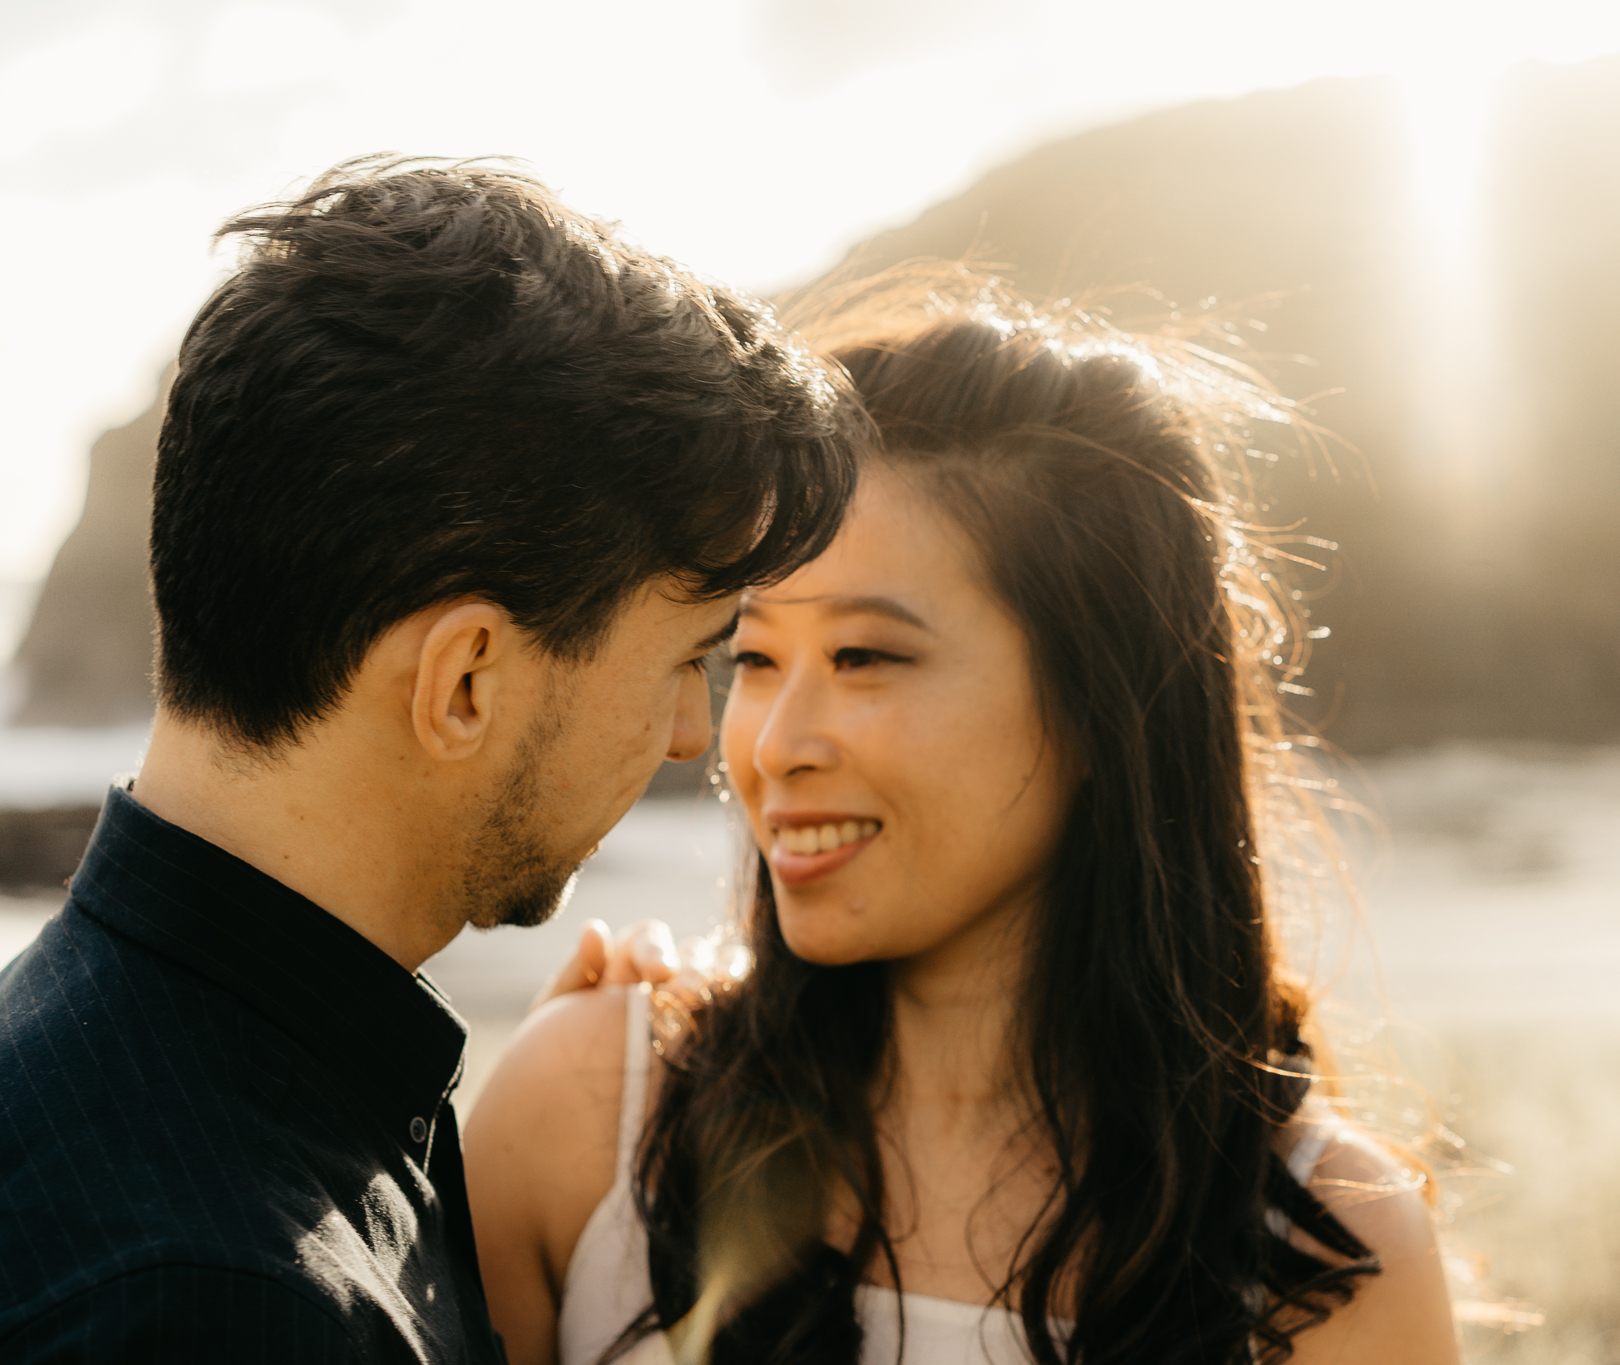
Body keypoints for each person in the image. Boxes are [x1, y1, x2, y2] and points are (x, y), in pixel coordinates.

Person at [468, 275, 1463, 1364]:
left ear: (1101, 705)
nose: (771, 743)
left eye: (864, 657)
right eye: (751, 658)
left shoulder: (1330, 1260)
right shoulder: (585, 1118)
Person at [0, 156, 863, 1361]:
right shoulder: (224, 1303)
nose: (689, 735)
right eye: (687, 658)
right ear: (463, 683)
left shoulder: (125, 1076)